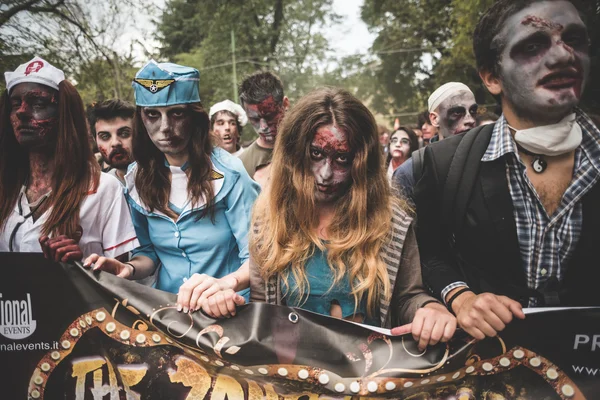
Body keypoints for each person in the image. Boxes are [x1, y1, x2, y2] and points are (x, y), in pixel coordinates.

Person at [181, 88, 457, 351]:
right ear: (296, 153)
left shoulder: (391, 222)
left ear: (361, 161)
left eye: (342, 158)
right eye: (316, 154)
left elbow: (408, 296)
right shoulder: (271, 220)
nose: (326, 174)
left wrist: (430, 310)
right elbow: (263, 306)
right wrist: (230, 304)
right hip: (294, 376)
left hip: (370, 380)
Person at [414, 0, 599, 340]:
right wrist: (460, 297)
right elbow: (429, 252)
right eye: (532, 46)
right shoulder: (442, 165)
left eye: (574, 39)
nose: (563, 56)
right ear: (492, 77)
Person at [83, 60, 260, 302]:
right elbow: (148, 254)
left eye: (176, 113)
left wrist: (225, 285)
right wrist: (128, 268)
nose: (165, 127)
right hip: (168, 314)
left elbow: (257, 258)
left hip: (231, 312)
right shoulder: (138, 178)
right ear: (141, 120)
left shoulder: (229, 174)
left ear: (195, 117)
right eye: (153, 115)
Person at [0, 57, 138, 261]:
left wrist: (81, 264)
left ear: (65, 114)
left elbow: (120, 273)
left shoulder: (102, 188)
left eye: (38, 103)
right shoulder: (5, 187)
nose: (22, 112)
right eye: (15, 104)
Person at [392, 82, 477, 202]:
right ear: (435, 119)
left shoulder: (488, 160)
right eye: (457, 112)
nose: (470, 120)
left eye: (473, 111)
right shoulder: (410, 172)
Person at [238, 71, 289, 181]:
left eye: (270, 116)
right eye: (255, 119)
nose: (263, 126)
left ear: (285, 104)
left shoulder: (308, 148)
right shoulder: (241, 166)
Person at [87, 99, 136, 184]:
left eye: (124, 134)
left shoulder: (164, 177)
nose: (115, 143)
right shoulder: (102, 188)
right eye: (105, 136)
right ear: (95, 140)